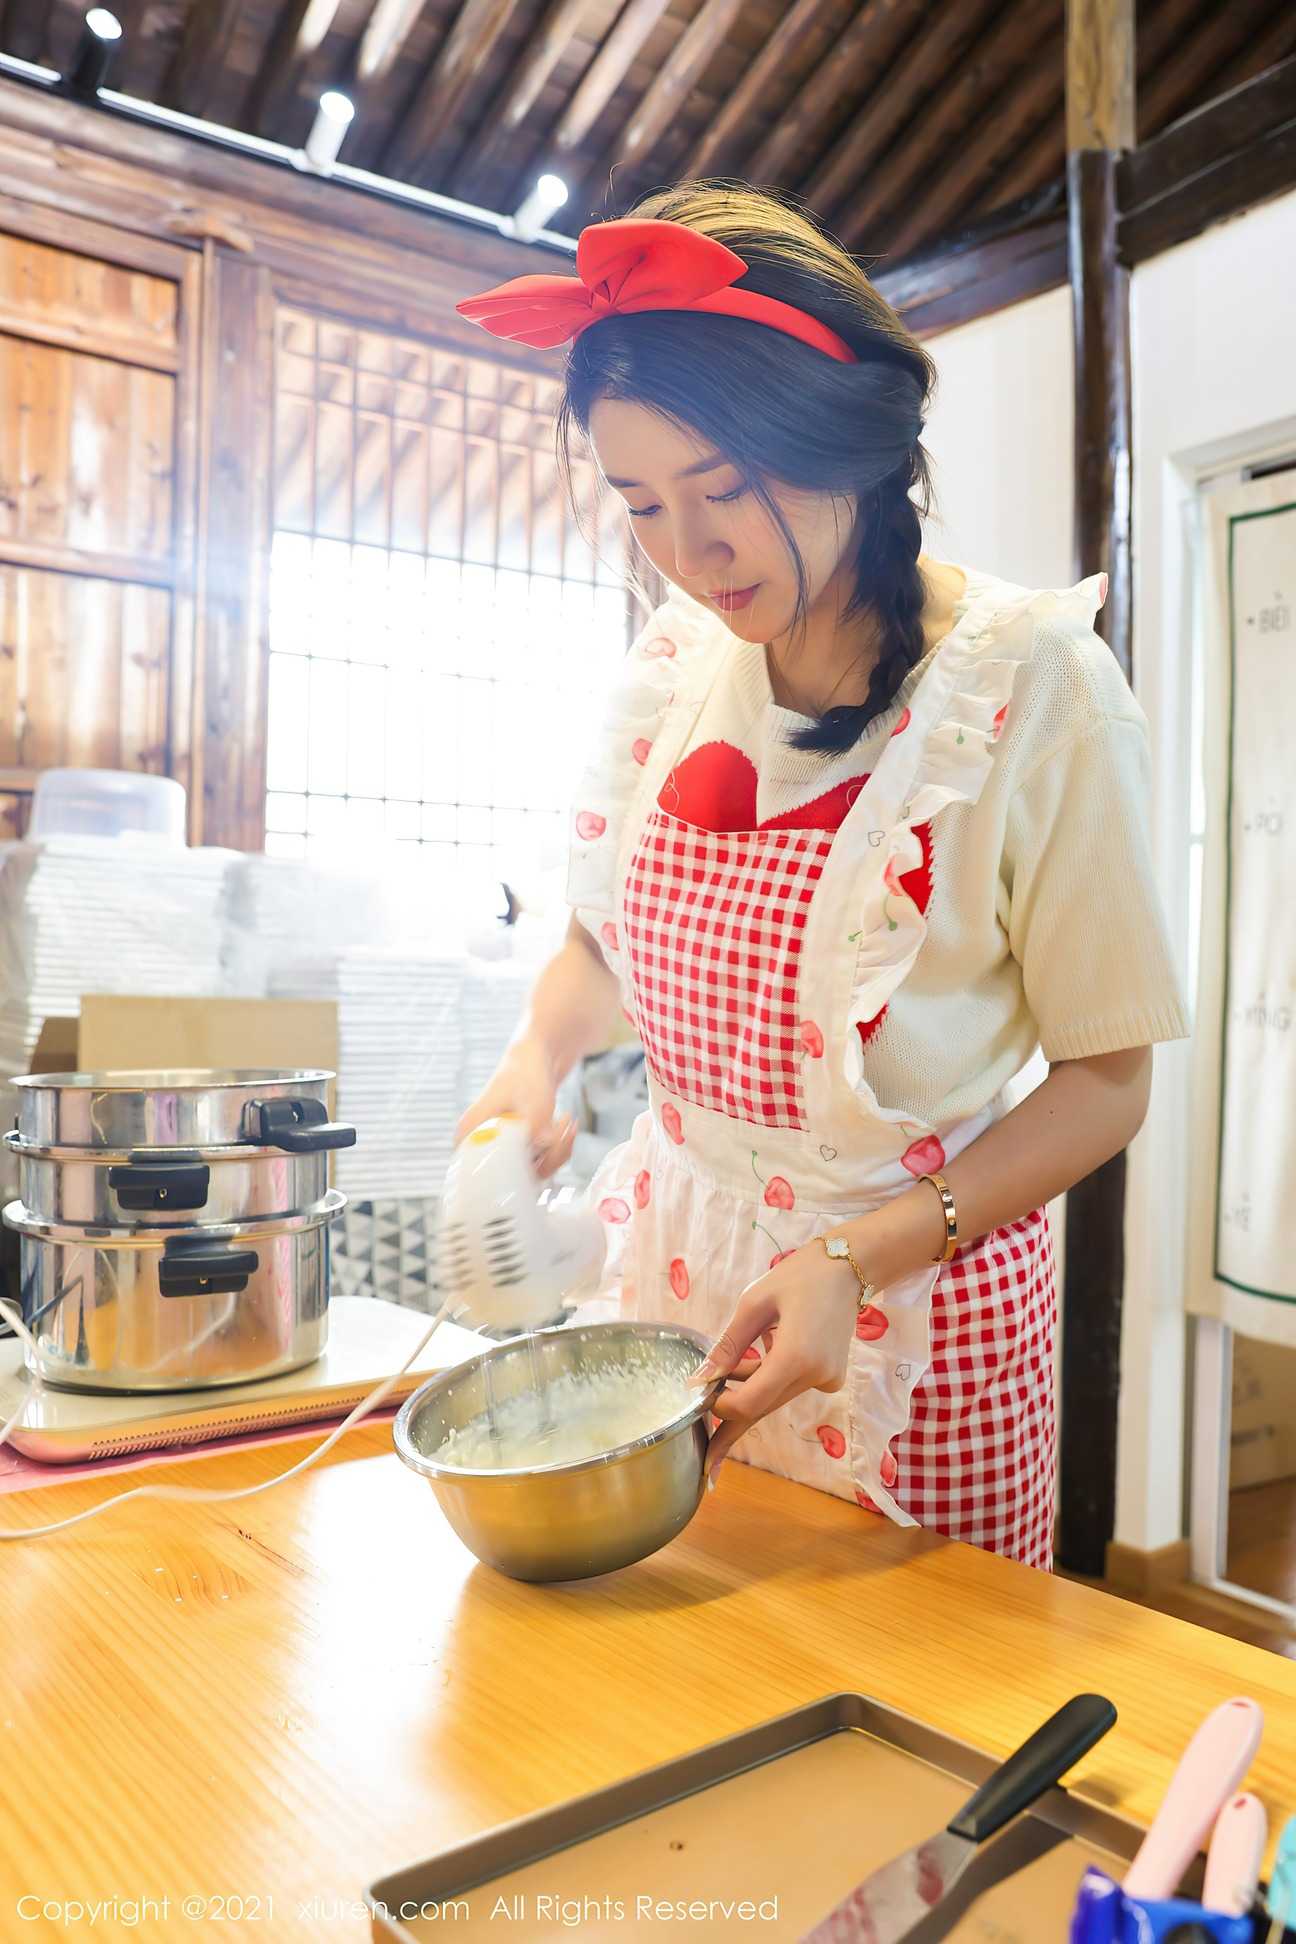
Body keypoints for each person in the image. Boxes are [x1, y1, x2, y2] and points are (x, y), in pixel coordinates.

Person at [454, 183, 1188, 1570]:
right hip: (681, 1277)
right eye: (642, 504)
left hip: (915, 1316)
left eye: (726, 489)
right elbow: (603, 941)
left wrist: (857, 1257)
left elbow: (1109, 1080)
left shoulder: (1031, 687)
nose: (689, 554)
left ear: (847, 443)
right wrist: (534, 1062)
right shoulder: (681, 665)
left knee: (905, 1684)